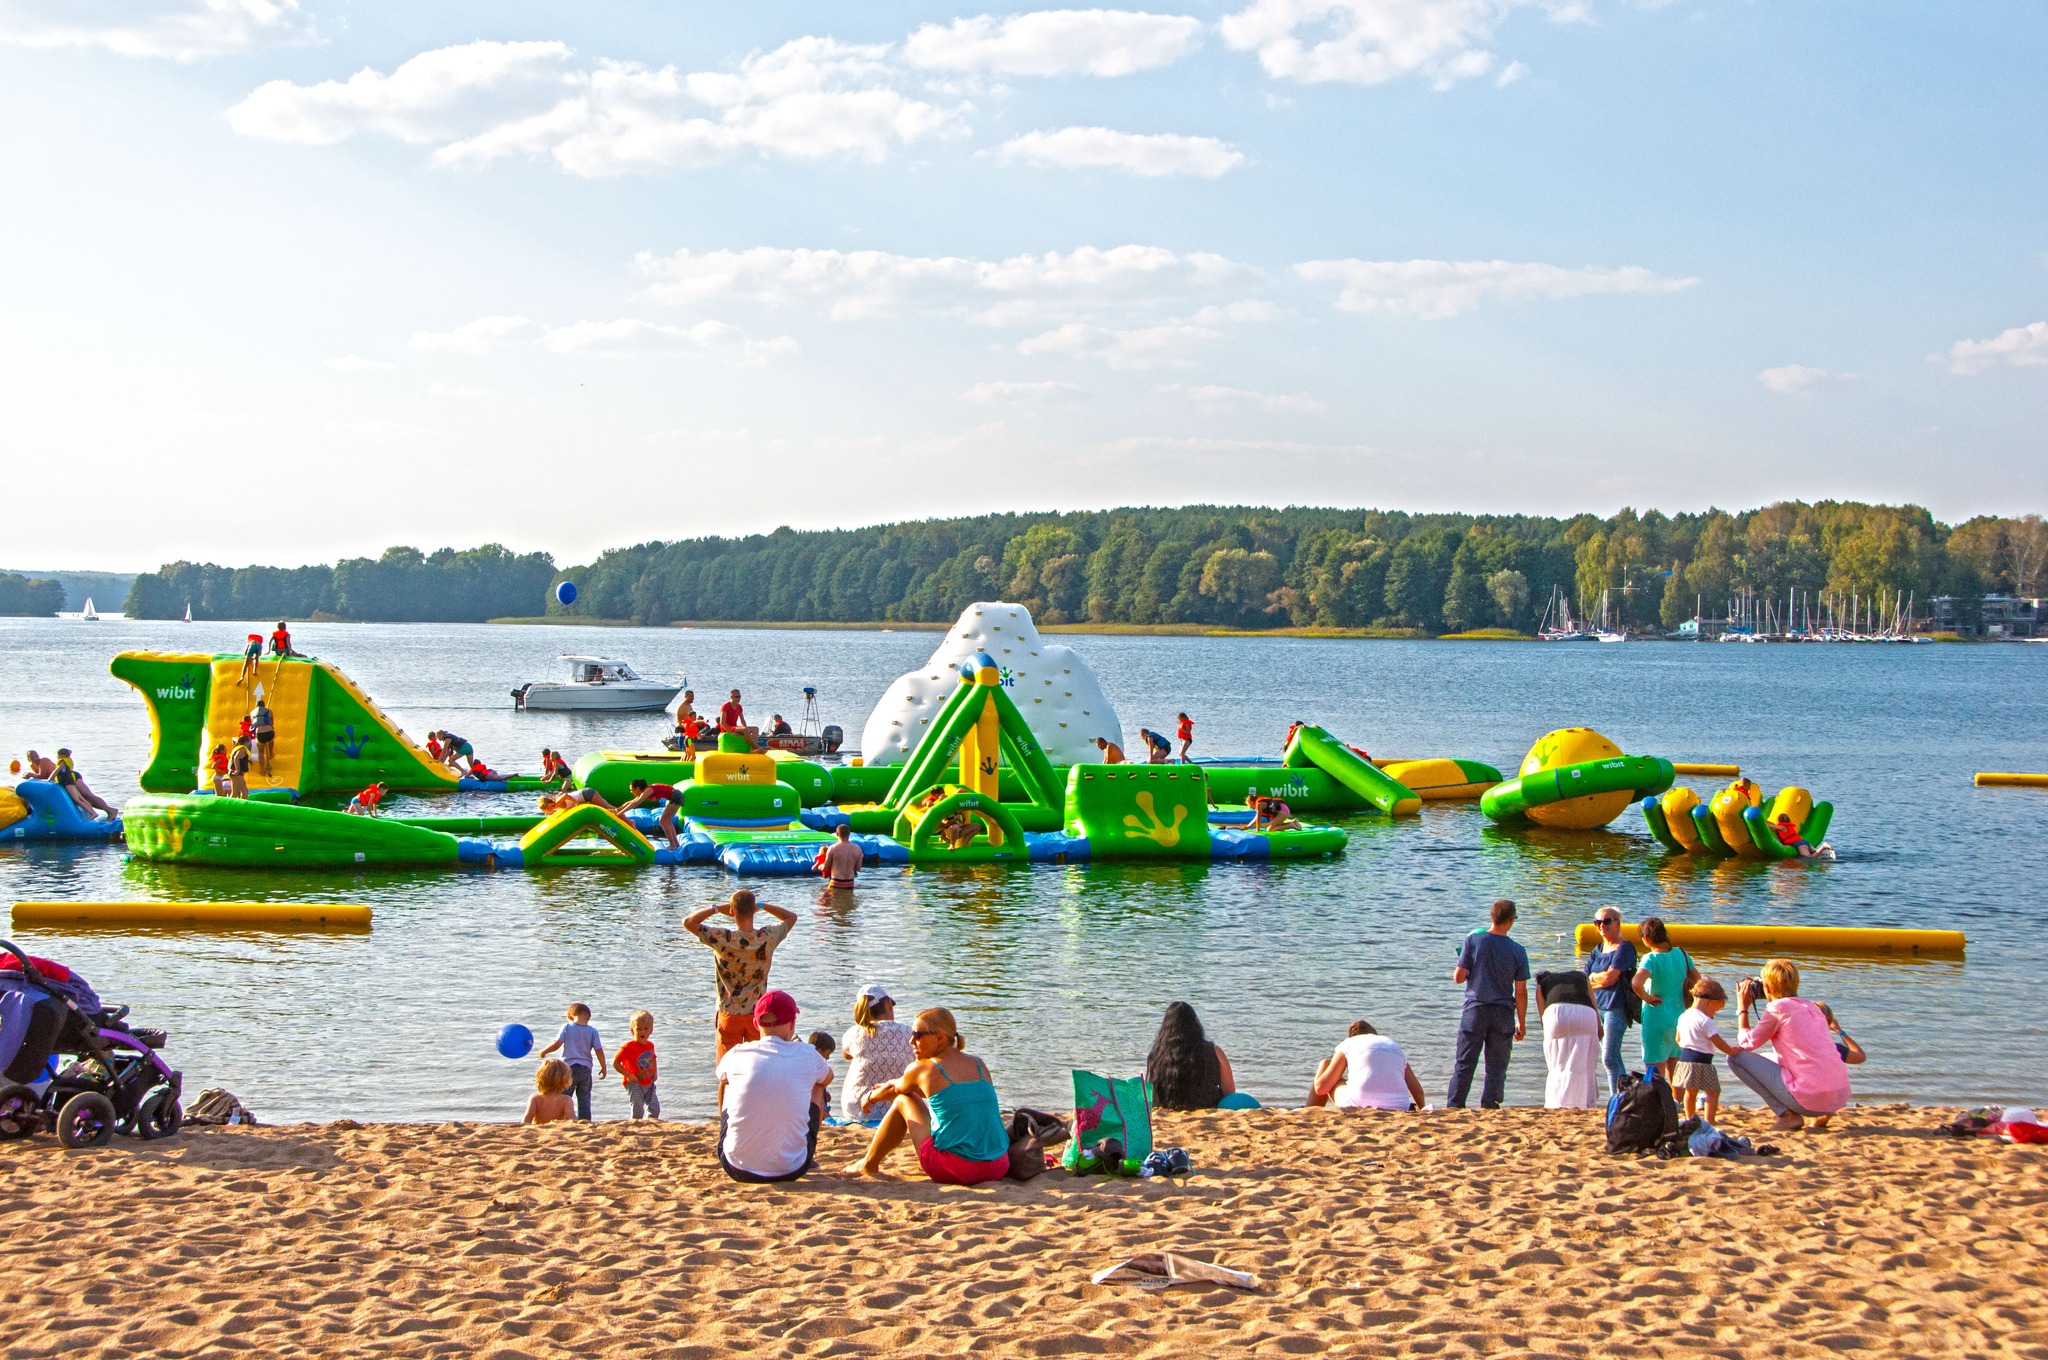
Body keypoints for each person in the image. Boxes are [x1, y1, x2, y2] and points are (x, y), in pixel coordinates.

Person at [848, 1007, 1010, 1185]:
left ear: (940, 1037)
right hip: (998, 1166)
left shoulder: (923, 1068)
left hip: (955, 1169)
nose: (911, 1041)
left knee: (904, 1099)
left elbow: (896, 1091)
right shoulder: (979, 1063)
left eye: (918, 1035)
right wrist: (893, 1083)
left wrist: (870, 1097)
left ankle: (868, 1165)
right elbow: (947, 1094)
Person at [716, 990, 831, 1182]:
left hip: (736, 1166)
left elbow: (722, 1076)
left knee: (727, 1082)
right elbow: (828, 1078)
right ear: (792, 1025)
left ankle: (730, 1131)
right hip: (793, 1167)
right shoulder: (807, 1053)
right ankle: (801, 1149)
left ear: (755, 1023)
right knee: (818, 1084)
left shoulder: (737, 1053)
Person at [1730, 961, 1852, 1132]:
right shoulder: (1813, 1007)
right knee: (1769, 1057)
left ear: (1767, 987)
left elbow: (1747, 1043)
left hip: (1810, 1101)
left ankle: (1787, 1116)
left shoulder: (1777, 1008)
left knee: (1736, 1058)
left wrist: (1742, 1009)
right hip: (1838, 1097)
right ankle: (1826, 1114)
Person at [684, 889, 799, 1062]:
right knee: (757, 1067)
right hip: (758, 1015)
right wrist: (762, 905)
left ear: (731, 912)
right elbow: (791, 917)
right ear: (754, 910)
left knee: (726, 1073)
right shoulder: (766, 937)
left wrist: (716, 908)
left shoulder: (722, 938)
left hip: (729, 1013)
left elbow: (688, 922)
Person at [1447, 898, 1529, 1109]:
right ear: (1511, 921)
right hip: (1503, 1012)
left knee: (1465, 1062)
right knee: (1497, 1066)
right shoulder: (1518, 950)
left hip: (1476, 1009)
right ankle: (1489, 1104)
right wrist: (1521, 1022)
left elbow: (1458, 977)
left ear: (1492, 917)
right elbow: (1520, 991)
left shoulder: (1473, 941)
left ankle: (1455, 1105)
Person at [1631, 916, 1699, 1080]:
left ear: (1646, 938)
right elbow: (1699, 982)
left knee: (1655, 1070)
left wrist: (1646, 997)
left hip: (1656, 1018)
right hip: (1679, 1018)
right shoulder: (1682, 954)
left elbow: (1636, 983)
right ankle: (1677, 1103)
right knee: (1676, 1068)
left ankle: (1658, 1103)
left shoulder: (1651, 958)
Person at [1308, 1021, 1427, 1110]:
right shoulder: (1393, 1046)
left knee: (1327, 1064)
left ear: (1351, 1036)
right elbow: (1418, 1091)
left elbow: (1321, 1088)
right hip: (1400, 1105)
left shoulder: (1348, 1043)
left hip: (1358, 1104)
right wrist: (1421, 1109)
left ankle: (1309, 1111)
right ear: (1374, 1034)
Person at [1583, 907, 1639, 1096]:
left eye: (1606, 921)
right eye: (1597, 922)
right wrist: (1596, 978)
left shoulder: (1625, 948)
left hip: (1616, 1007)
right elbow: (1584, 979)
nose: (1601, 926)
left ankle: (1616, 1099)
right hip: (1596, 1007)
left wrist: (1594, 978)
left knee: (1609, 1057)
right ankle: (1624, 1096)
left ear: (1618, 923)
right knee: (1613, 1057)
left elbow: (1610, 979)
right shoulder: (1597, 950)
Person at [840, 985, 916, 1121]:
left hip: (858, 1109)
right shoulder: (909, 1033)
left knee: (856, 1062)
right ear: (888, 1004)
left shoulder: (854, 1032)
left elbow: (846, 1055)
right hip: (899, 1107)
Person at [1145, 1001, 1237, 1111]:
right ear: (1195, 1023)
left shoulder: (1158, 1053)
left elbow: (1153, 1089)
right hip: (1207, 1105)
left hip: (1168, 1106)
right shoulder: (1214, 1051)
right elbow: (1229, 1092)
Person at [1672, 978, 1738, 1123]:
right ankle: (1709, 1120)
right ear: (1711, 1002)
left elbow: (1677, 1039)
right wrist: (1732, 1052)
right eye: (1715, 1009)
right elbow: (1718, 1041)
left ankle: (1690, 1118)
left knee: (1690, 1092)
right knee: (1713, 1092)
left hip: (1685, 1061)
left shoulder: (1684, 1016)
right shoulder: (1705, 1021)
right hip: (1703, 1062)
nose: (1714, 1014)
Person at [1535, 966, 1602, 1108]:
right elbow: (1593, 1004)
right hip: (1585, 1013)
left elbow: (1543, 1017)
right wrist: (1599, 1027)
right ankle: (1586, 1103)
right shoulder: (1582, 977)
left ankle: (1557, 1102)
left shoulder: (1541, 984)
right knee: (1586, 1062)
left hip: (1555, 1013)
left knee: (1557, 1063)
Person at [536, 1002, 606, 1121]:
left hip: (568, 1069)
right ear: (589, 1017)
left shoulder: (567, 1027)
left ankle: (562, 1118)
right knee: (584, 1096)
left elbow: (557, 1044)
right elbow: (599, 1050)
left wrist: (543, 1051)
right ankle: (585, 1120)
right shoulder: (592, 1031)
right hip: (586, 1068)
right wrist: (603, 1067)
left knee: (565, 1095)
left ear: (570, 1016)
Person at [612, 1010, 660, 1120]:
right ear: (632, 1031)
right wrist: (628, 1075)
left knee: (655, 1108)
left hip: (649, 1081)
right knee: (638, 1108)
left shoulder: (650, 1045)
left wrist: (655, 1072)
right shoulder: (628, 1047)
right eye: (638, 1029)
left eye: (646, 1029)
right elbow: (615, 1062)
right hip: (635, 1083)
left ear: (651, 1031)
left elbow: (653, 1059)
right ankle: (636, 1124)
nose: (642, 1032)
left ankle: (650, 1124)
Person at [619, 778, 686, 849]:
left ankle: (673, 845)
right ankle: (675, 844)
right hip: (677, 796)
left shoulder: (648, 790)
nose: (631, 792)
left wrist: (620, 813)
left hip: (676, 796)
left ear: (638, 788)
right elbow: (631, 802)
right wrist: (617, 810)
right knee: (667, 821)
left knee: (663, 820)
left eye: (632, 790)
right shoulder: (645, 791)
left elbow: (635, 803)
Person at [52, 751, 117, 820]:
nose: (57, 757)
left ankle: (110, 811)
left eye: (58, 755)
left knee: (88, 795)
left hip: (72, 777)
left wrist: (49, 779)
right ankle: (93, 813)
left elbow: (57, 771)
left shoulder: (62, 762)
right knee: (85, 799)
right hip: (70, 778)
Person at [523, 1060, 575, 1126]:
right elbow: (572, 1119)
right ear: (565, 1080)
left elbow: (527, 1119)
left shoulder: (535, 1098)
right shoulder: (566, 1100)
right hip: (556, 1130)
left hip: (538, 1130)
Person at [817, 822, 863, 891]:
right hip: (850, 883)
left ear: (837, 834)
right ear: (849, 834)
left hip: (836, 882)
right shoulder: (857, 849)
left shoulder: (832, 848)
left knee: (830, 900)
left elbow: (825, 867)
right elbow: (858, 869)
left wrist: (819, 866)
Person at [1769, 813, 1834, 859]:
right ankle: (1825, 853)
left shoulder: (1782, 827)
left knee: (1809, 858)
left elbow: (1772, 826)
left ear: (1779, 820)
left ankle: (1823, 846)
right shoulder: (1789, 826)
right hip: (1803, 842)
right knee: (1816, 852)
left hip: (1800, 844)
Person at [807, 1031, 838, 1117]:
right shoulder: (815, 1066)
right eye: (828, 1054)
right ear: (819, 1051)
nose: (828, 1057)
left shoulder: (807, 1061)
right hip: (813, 1109)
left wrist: (825, 1093)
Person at [540, 787, 613, 814]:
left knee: (608, 808)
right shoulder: (557, 804)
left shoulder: (557, 803)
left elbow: (565, 795)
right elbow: (562, 793)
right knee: (607, 808)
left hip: (587, 794)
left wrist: (576, 803)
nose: (546, 814)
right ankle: (622, 814)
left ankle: (623, 818)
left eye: (545, 811)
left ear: (548, 807)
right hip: (586, 794)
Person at [251, 698, 276, 779]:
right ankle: (271, 754)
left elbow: (253, 724)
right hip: (269, 732)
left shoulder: (252, 712)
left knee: (261, 752)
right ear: (264, 705)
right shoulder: (269, 711)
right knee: (271, 739)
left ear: (256, 706)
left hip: (260, 733)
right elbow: (272, 723)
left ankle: (262, 770)